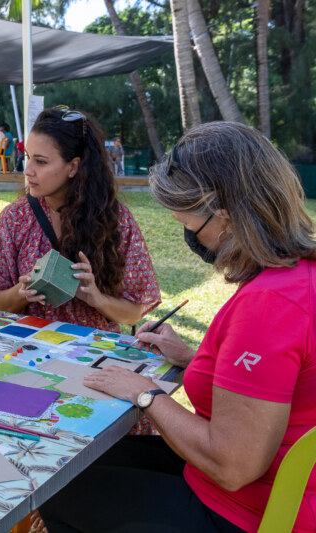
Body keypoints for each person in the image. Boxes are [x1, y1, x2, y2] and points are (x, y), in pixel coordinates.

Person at [39, 121, 316, 533]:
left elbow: (233, 466)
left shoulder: (269, 303)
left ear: (223, 209)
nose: (187, 234)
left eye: (189, 224)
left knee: (57, 488)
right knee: (78, 460)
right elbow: (272, 385)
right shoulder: (298, 276)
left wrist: (145, 395)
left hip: (244, 510)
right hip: (258, 489)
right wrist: (192, 359)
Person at [0, 107, 160, 333]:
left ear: (73, 166)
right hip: (28, 348)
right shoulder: (15, 218)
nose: (28, 170)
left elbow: (132, 315)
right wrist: (22, 291)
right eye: (28, 158)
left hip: (90, 353)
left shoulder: (116, 220)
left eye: (41, 162)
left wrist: (96, 298)